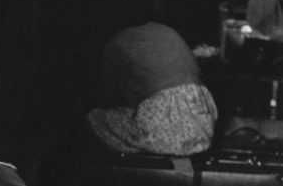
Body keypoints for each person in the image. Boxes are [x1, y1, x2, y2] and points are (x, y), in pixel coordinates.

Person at [87, 16, 217, 156]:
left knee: (95, 118)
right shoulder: (165, 30)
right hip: (202, 118)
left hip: (166, 118)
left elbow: (105, 96)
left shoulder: (114, 45)